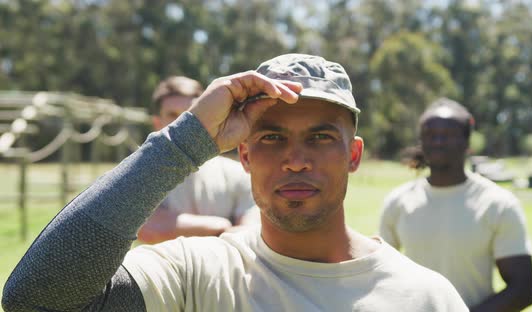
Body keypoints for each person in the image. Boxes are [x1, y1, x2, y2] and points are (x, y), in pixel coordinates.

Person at [3, 54, 468, 311]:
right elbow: (34, 300)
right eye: (272, 137)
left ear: (353, 155)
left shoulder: (427, 297)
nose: (295, 160)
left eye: (321, 137)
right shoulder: (196, 273)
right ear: (243, 155)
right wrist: (184, 142)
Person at [379, 98, 532, 311]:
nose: (438, 142)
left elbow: (522, 289)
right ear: (421, 142)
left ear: (467, 143)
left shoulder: (498, 204)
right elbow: (382, 276)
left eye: (448, 135)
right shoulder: (398, 202)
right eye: (430, 135)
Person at [138, 76, 257, 243]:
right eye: (173, 115)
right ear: (157, 123)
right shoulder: (141, 174)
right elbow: (148, 229)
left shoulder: (239, 174)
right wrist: (221, 226)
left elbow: (249, 236)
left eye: (190, 113)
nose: (182, 123)